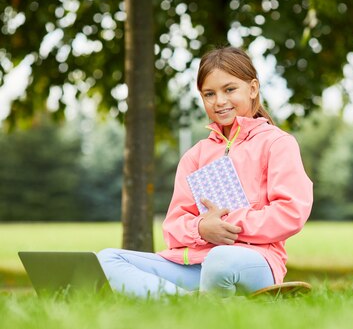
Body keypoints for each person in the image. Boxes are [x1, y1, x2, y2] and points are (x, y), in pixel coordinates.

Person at [98, 46, 314, 298]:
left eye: (230, 89)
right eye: (209, 94)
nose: (219, 101)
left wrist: (226, 225)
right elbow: (173, 227)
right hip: (192, 263)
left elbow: (290, 212)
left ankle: (193, 303)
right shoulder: (195, 156)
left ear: (253, 88)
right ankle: (190, 304)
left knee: (220, 259)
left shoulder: (277, 143)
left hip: (252, 260)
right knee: (107, 259)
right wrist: (201, 229)